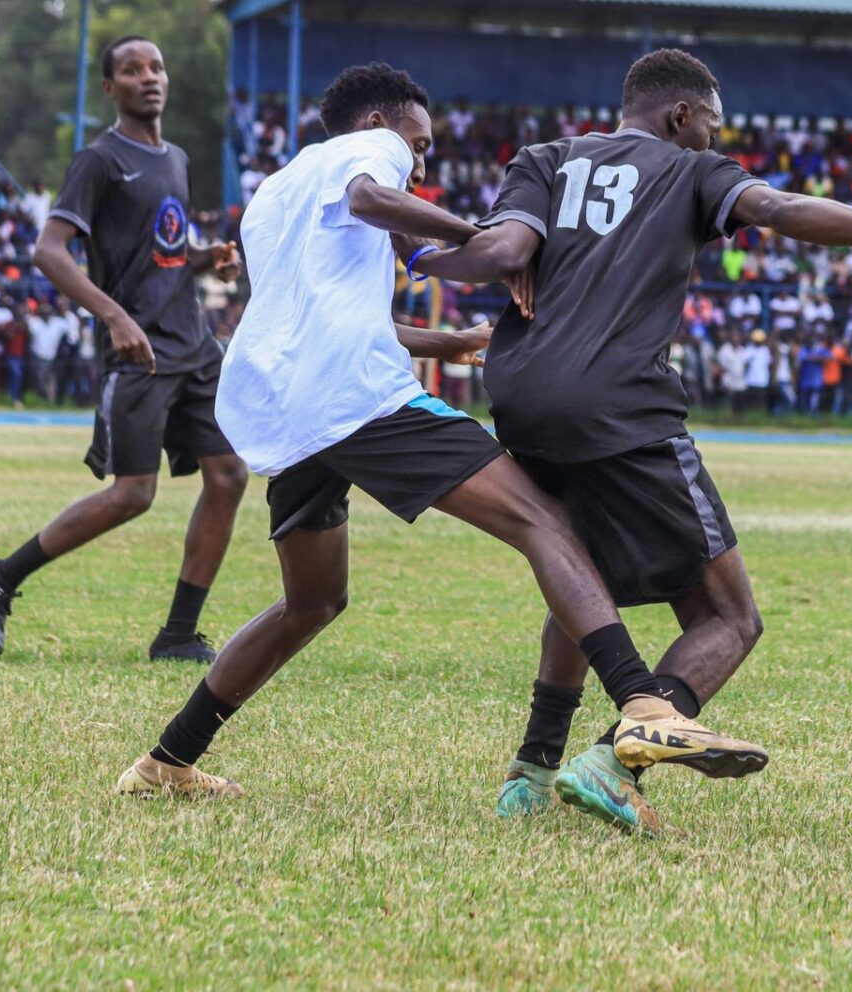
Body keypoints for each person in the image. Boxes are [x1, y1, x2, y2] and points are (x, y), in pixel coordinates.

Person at [114, 61, 766, 801]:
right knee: (547, 522)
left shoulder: (275, 192)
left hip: (286, 408)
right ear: (378, 126)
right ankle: (643, 702)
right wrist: (481, 239)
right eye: (418, 146)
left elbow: (323, 320)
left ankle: (167, 760)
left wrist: (444, 342)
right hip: (359, 402)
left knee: (313, 602)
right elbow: (371, 197)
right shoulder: (372, 153)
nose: (419, 163)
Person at [407, 48, 852, 832]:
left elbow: (501, 254)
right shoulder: (688, 170)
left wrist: (420, 256)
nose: (715, 141)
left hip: (519, 398)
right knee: (730, 617)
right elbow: (782, 211)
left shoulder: (543, 159)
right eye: (711, 124)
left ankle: (531, 771)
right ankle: (617, 758)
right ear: (681, 115)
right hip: (620, 408)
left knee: (588, 577)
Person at [0, 36, 250, 664]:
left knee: (230, 474)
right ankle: (2, 577)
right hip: (140, 350)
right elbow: (49, 249)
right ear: (110, 88)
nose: (149, 77)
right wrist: (113, 315)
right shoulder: (98, 160)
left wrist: (207, 258)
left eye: (156, 65)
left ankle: (177, 634)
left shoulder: (173, 158)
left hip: (194, 344)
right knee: (132, 494)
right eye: (131, 69)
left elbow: (164, 250)